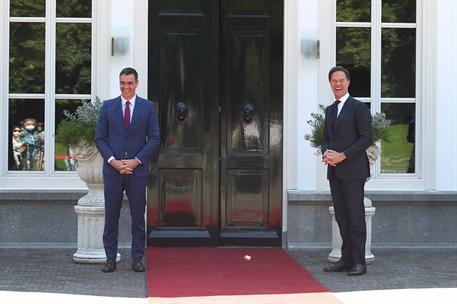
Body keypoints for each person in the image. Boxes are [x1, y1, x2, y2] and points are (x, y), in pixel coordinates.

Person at [95, 67, 160, 273]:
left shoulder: (147, 107)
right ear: (119, 84)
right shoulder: (108, 107)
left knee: (138, 217)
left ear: (137, 83)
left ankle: (138, 258)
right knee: (111, 216)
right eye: (122, 83)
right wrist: (113, 161)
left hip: (137, 171)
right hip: (113, 170)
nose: (126, 87)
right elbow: (99, 138)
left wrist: (136, 161)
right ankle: (110, 259)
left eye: (130, 83)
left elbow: (155, 138)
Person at [321, 66, 373, 276]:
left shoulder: (359, 108)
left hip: (353, 171)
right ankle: (346, 259)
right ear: (330, 83)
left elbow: (366, 138)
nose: (338, 84)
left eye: (341, 80)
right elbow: (325, 138)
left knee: (356, 217)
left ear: (348, 82)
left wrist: (343, 155)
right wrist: (327, 154)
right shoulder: (330, 110)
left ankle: (359, 262)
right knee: (342, 217)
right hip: (335, 172)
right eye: (334, 80)